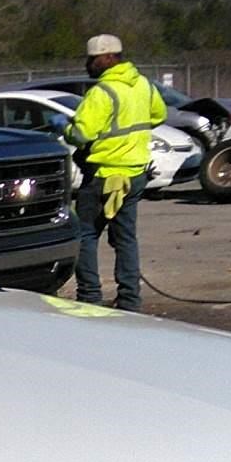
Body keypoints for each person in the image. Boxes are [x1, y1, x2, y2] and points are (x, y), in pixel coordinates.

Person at [61, 33, 166, 311]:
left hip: (104, 175)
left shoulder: (102, 92)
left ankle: (90, 296)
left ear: (108, 58)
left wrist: (64, 127)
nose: (89, 64)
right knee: (125, 239)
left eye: (93, 59)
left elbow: (82, 133)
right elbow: (159, 115)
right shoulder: (143, 84)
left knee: (85, 234)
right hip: (134, 175)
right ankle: (130, 299)